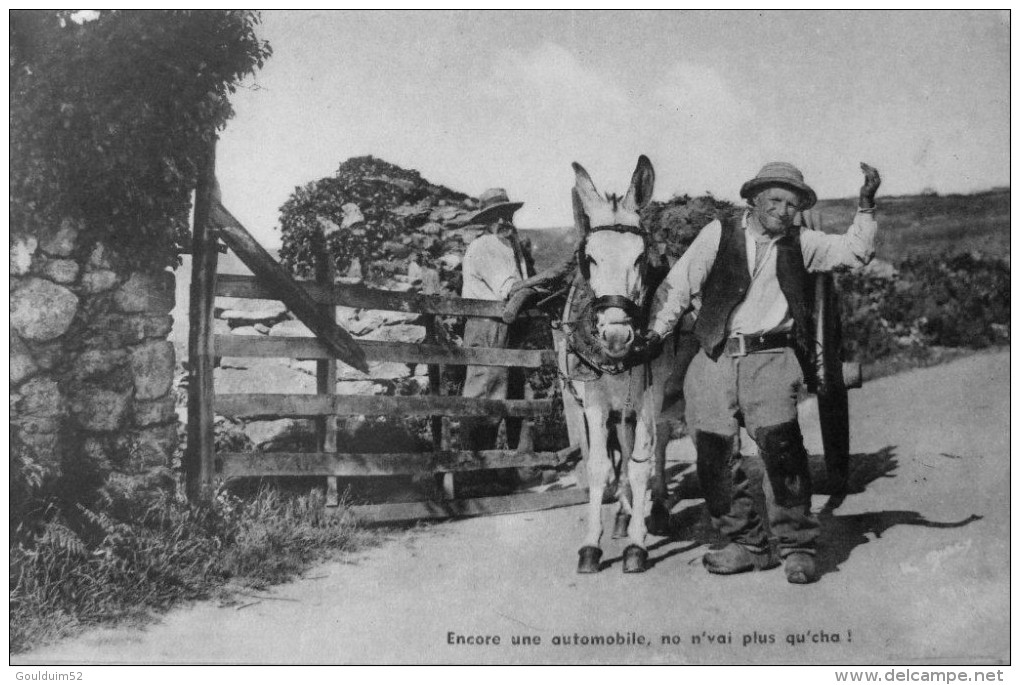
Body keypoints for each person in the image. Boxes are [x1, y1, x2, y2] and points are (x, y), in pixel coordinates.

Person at [642, 161, 882, 584]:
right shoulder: (717, 234)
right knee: (713, 455)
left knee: (782, 451)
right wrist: (656, 334)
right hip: (714, 356)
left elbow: (856, 253)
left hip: (772, 358)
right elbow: (678, 287)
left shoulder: (802, 243)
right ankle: (748, 544)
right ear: (752, 200)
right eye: (774, 199)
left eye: (792, 203)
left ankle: (796, 546)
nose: (783, 210)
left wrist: (865, 205)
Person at [460, 187, 535, 452]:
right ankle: (476, 472)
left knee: (515, 395)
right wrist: (543, 283)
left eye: (507, 214)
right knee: (485, 397)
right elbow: (510, 289)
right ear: (486, 222)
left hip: (508, 326)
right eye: (496, 216)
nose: (504, 221)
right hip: (488, 326)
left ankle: (520, 470)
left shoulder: (509, 246)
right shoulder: (485, 246)